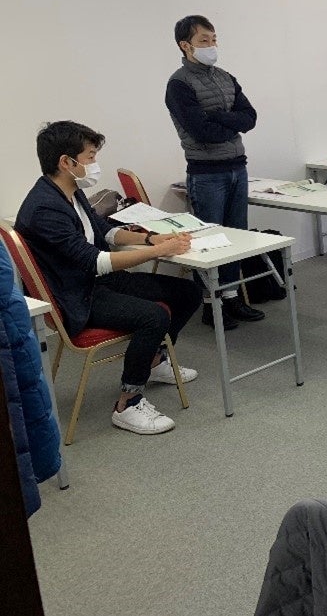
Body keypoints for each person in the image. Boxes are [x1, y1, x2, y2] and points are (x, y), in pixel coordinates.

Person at [14, 121, 202, 436]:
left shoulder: (69, 191)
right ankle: (128, 403)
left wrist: (151, 239)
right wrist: (159, 251)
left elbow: (104, 232)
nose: (95, 164)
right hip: (76, 298)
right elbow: (97, 261)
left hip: (91, 282)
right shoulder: (45, 208)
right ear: (66, 162)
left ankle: (154, 361)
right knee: (153, 316)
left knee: (187, 293)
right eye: (90, 157)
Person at [165, 14, 263, 330]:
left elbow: (249, 117)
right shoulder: (179, 84)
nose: (211, 45)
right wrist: (230, 122)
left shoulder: (225, 77)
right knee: (210, 240)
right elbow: (201, 131)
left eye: (213, 39)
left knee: (236, 235)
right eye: (203, 40)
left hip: (237, 167)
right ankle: (211, 304)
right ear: (186, 45)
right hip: (206, 173)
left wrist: (220, 117)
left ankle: (232, 297)